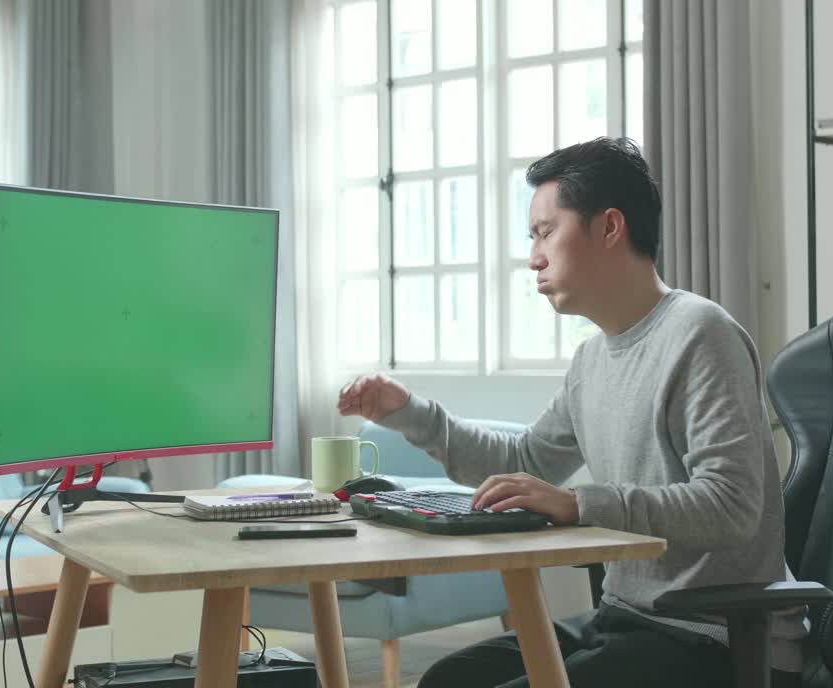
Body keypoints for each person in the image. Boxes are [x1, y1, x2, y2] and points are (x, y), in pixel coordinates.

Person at [336, 137, 806, 688]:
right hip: (626, 621)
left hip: (715, 638)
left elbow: (732, 507)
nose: (534, 257)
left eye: (544, 232)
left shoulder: (701, 335)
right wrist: (408, 412)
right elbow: (525, 460)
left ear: (609, 228)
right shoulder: (592, 358)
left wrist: (580, 504)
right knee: (447, 680)